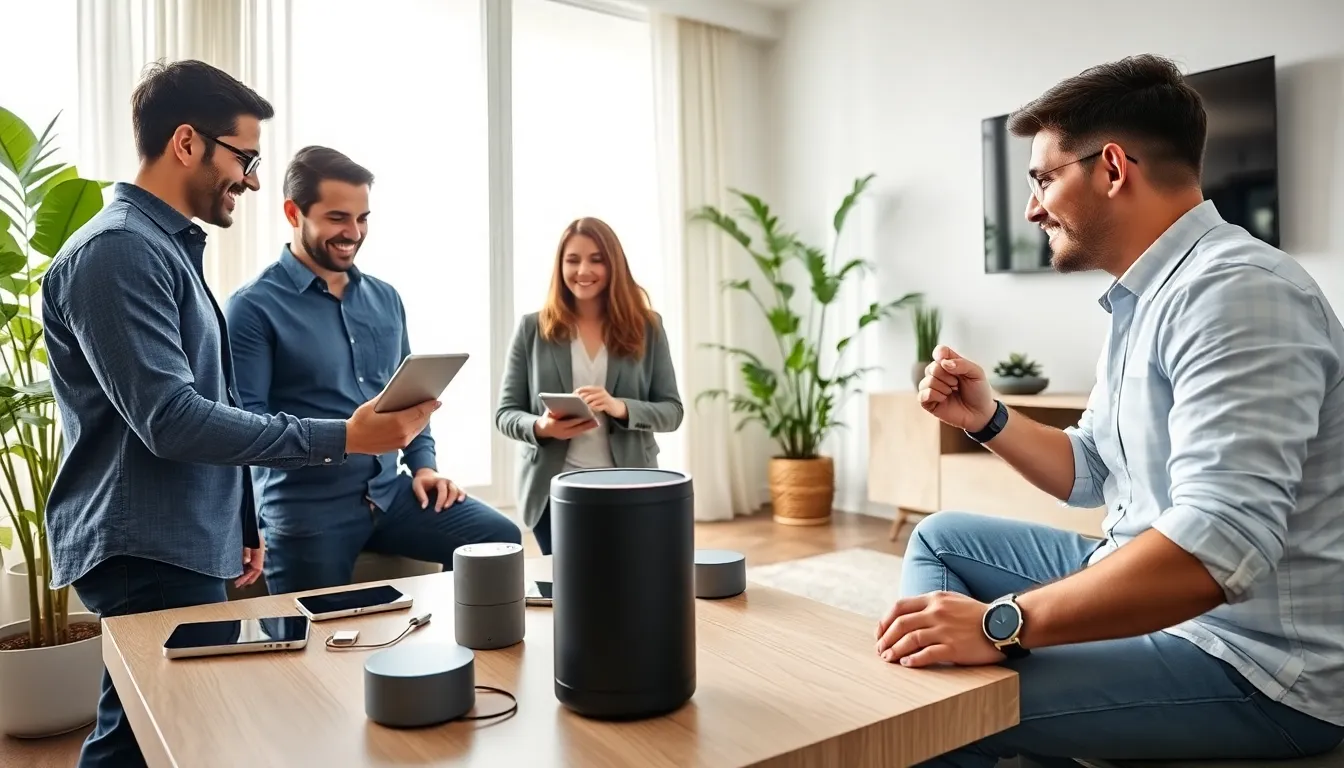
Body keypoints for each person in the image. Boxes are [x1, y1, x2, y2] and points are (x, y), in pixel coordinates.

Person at [878, 54, 1344, 766]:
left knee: (948, 704)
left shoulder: (1239, 292)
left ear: (1113, 168)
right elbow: (1092, 470)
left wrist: (1003, 625)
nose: (1032, 207)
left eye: (1042, 178)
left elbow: (1217, 548)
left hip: (1253, 664)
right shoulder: (1145, 298)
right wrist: (988, 419)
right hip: (1149, 586)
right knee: (941, 539)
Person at [41, 61, 440, 768]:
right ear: (188, 142)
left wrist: (242, 522)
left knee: (158, 728)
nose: (254, 179)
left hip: (182, 534)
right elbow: (171, 419)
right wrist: (346, 435)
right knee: (145, 734)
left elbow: (211, 402)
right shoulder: (119, 251)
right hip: (146, 546)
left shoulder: (163, 246)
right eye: (245, 157)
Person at [224, 146, 520, 595]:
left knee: (501, 540)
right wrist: (245, 522)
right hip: (306, 509)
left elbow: (411, 399)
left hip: (391, 493)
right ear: (293, 212)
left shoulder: (386, 299)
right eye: (338, 218)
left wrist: (424, 467)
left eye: (363, 218)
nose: (354, 232)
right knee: (311, 651)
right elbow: (246, 429)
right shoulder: (252, 307)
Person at [496, 217, 683, 554]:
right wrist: (542, 427)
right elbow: (505, 413)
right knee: (570, 596)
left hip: (630, 487)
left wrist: (620, 407)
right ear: (560, 266)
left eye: (597, 259)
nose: (584, 270)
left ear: (614, 265)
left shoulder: (648, 327)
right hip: (555, 493)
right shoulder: (531, 329)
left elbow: (673, 411)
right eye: (573, 260)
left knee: (627, 587)